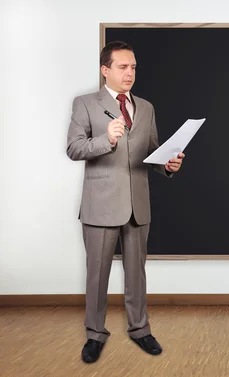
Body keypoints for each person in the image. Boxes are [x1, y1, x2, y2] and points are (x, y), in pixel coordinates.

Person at [66, 40, 185, 363]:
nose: (129, 72)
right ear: (105, 70)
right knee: (97, 274)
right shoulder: (85, 103)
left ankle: (140, 330)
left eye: (133, 67)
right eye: (122, 66)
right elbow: (75, 149)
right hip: (100, 206)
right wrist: (107, 139)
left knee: (137, 274)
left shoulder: (145, 107)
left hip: (137, 206)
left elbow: (152, 151)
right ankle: (94, 334)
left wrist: (168, 164)